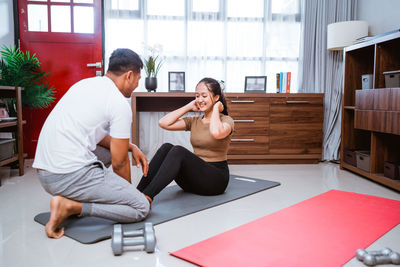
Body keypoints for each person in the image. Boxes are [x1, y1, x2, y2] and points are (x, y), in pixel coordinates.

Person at [33, 48, 151, 239]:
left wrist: (131, 146)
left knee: (108, 151)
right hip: (67, 176)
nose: (138, 84)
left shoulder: (84, 85)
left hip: (46, 174)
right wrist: (128, 195)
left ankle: (71, 197)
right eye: (138, 78)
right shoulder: (119, 104)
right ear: (129, 76)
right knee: (140, 207)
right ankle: (71, 206)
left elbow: (94, 134)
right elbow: (120, 163)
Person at [136, 77, 234, 200]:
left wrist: (215, 109)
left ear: (216, 97)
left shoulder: (226, 120)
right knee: (166, 147)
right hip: (194, 180)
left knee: (178, 151)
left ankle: (147, 197)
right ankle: (136, 193)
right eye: (197, 96)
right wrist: (188, 106)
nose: (200, 100)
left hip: (215, 181)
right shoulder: (194, 121)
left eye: (204, 96)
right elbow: (163, 123)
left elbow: (216, 133)